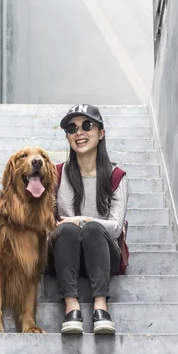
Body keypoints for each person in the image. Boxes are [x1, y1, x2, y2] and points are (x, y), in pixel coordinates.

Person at [48, 104, 129, 334]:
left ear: (101, 133)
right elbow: (46, 222)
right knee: (68, 231)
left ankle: (100, 306)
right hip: (65, 251)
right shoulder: (55, 174)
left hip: (103, 254)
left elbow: (114, 229)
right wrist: (70, 225)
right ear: (67, 137)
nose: (79, 133)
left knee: (92, 228)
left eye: (87, 125)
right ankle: (71, 307)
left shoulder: (116, 177)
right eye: (72, 128)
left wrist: (81, 220)